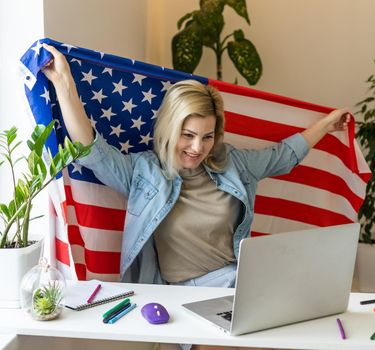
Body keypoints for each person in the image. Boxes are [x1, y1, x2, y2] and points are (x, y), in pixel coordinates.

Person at [41, 43, 350, 289]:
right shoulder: (144, 173)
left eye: (207, 137)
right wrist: (63, 81)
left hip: (234, 284)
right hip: (177, 294)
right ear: (170, 128)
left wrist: (326, 124)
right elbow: (90, 149)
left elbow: (284, 155)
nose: (197, 147)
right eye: (187, 135)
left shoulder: (233, 162)